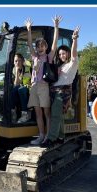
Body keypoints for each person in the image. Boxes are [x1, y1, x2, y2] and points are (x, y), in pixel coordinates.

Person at [41, 26, 80, 148]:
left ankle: (51, 139)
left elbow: (74, 53)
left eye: (64, 53)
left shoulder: (72, 64)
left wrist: (74, 39)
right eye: (60, 54)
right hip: (54, 91)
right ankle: (60, 137)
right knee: (59, 115)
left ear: (67, 53)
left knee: (56, 115)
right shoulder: (60, 66)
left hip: (62, 92)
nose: (62, 55)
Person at [25, 16, 62, 145]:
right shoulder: (34, 56)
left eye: (42, 46)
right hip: (34, 86)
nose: (40, 48)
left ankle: (48, 136)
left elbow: (55, 43)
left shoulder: (49, 56)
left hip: (44, 86)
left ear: (45, 47)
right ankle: (41, 135)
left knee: (47, 112)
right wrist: (28, 29)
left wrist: (56, 27)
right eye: (38, 46)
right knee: (38, 113)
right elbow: (29, 44)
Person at [11, 53, 30, 123]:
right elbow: (16, 84)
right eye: (16, 61)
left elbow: (27, 83)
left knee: (21, 90)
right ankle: (13, 113)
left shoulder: (28, 68)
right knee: (13, 91)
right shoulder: (14, 70)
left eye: (19, 60)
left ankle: (25, 114)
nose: (18, 63)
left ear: (22, 61)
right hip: (20, 89)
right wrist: (16, 73)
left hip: (29, 89)